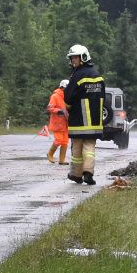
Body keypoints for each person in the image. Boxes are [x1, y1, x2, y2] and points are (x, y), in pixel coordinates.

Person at [63, 43, 107, 185]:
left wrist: (68, 107)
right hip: (94, 120)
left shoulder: (78, 75)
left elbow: (68, 96)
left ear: (83, 57)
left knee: (77, 147)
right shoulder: (98, 75)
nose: (72, 61)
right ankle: (88, 173)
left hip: (79, 120)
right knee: (89, 147)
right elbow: (102, 97)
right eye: (72, 58)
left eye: (74, 58)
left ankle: (76, 174)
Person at [46, 80, 70, 165]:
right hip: (57, 123)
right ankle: (50, 154)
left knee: (65, 141)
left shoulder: (67, 96)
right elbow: (50, 108)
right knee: (59, 140)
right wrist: (59, 111)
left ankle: (62, 160)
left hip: (66, 123)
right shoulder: (55, 96)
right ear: (62, 87)